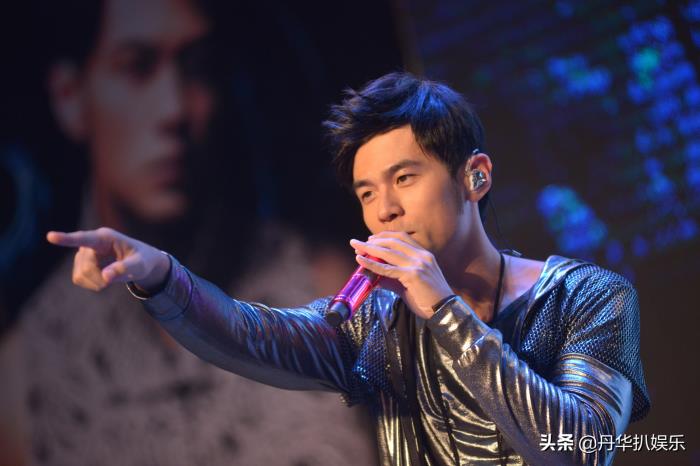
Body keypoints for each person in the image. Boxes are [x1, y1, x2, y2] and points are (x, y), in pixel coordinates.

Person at [48, 72, 650, 465]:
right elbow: (248, 334)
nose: (384, 210)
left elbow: (581, 448)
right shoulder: (375, 322)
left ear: (475, 176)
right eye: (366, 193)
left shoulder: (589, 295)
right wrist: (158, 273)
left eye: (404, 178)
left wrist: (444, 311)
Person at [0, 0, 377, 464]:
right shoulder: (24, 378)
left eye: (198, 67)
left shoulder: (329, 289)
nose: (173, 108)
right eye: (137, 67)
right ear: (70, 95)